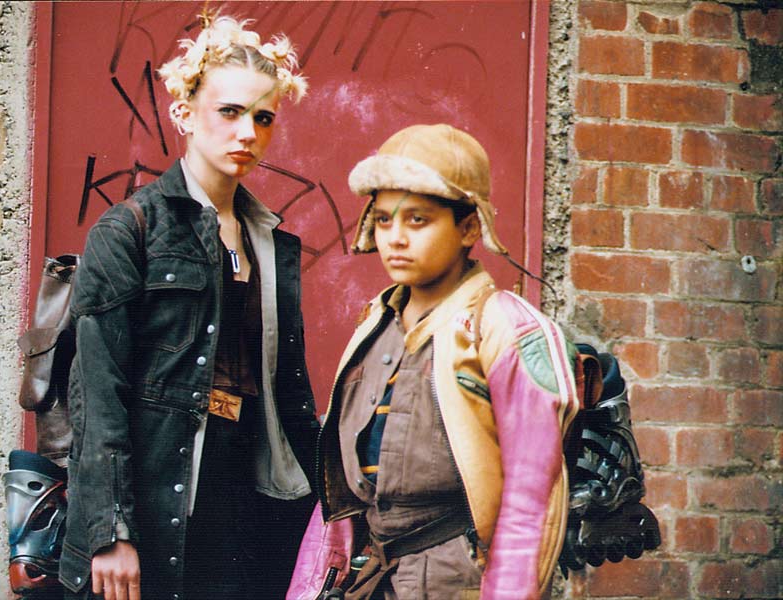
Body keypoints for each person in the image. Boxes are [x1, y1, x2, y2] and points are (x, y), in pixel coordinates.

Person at [59, 14, 319, 600]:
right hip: (160, 495)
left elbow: (287, 390)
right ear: (185, 113)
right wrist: (111, 531)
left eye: (263, 117)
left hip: (249, 497)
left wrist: (330, 504)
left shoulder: (271, 243)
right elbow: (97, 395)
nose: (247, 132)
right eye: (229, 112)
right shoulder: (130, 229)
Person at [287, 124, 581, 600]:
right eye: (384, 220)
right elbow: (339, 502)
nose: (396, 238)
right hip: (373, 578)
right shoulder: (375, 323)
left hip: (458, 580)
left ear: (469, 228)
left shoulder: (507, 328)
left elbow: (532, 504)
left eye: (418, 220)